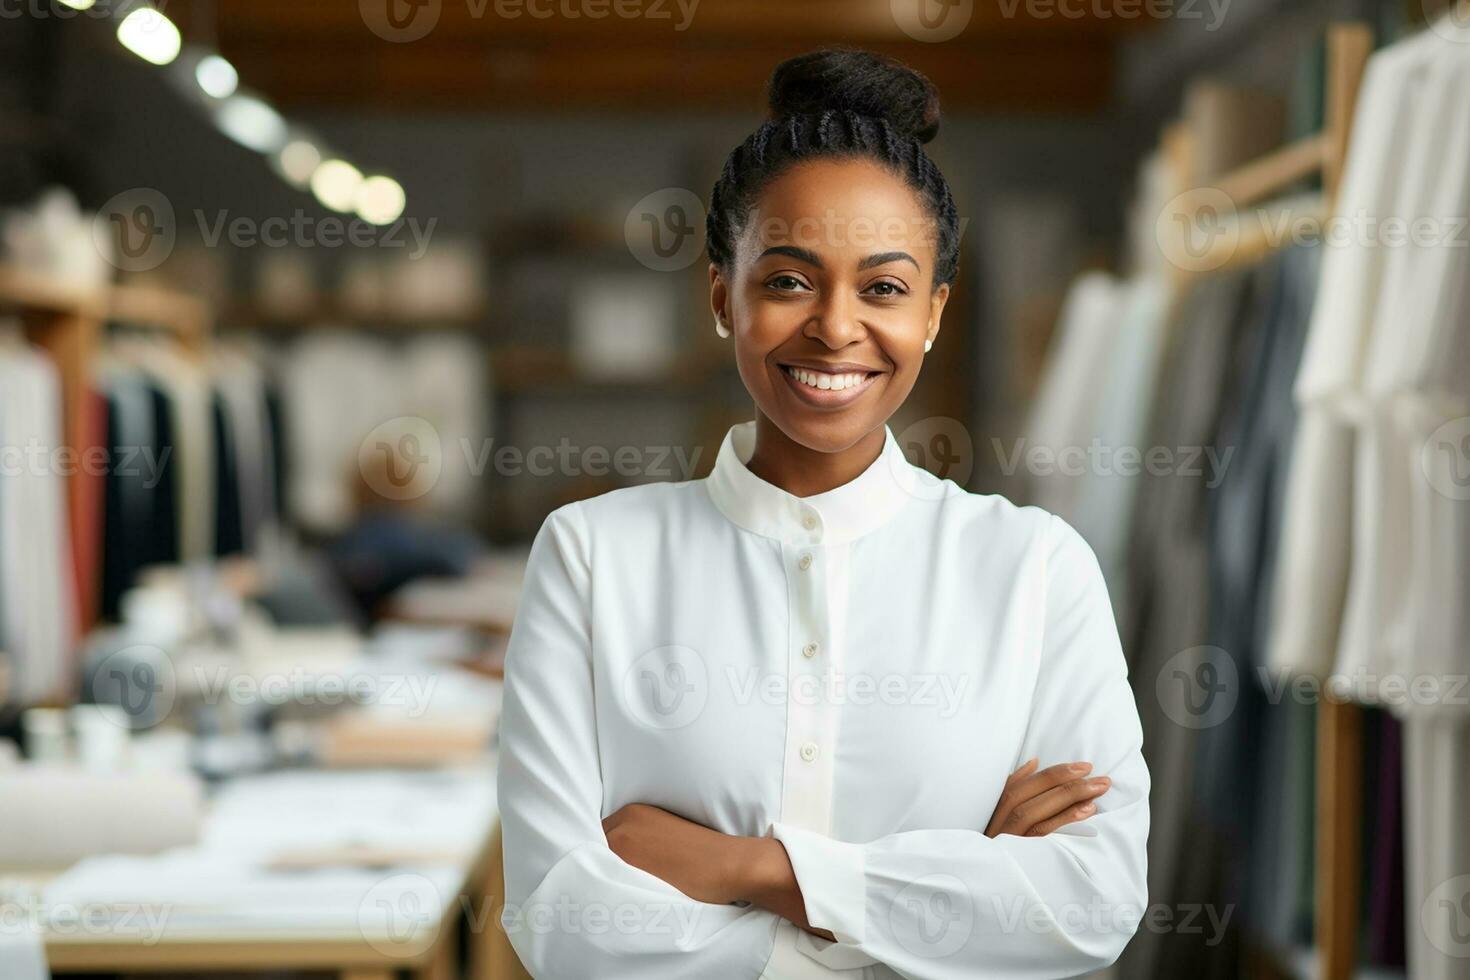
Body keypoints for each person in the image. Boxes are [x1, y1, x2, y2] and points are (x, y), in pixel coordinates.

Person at [497, 48, 1150, 979]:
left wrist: (745, 869)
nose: (836, 327)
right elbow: (561, 920)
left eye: (883, 287)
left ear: (933, 312)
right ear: (724, 296)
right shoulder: (594, 558)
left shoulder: (1034, 567)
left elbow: (1089, 903)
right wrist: (953, 893)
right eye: (789, 280)